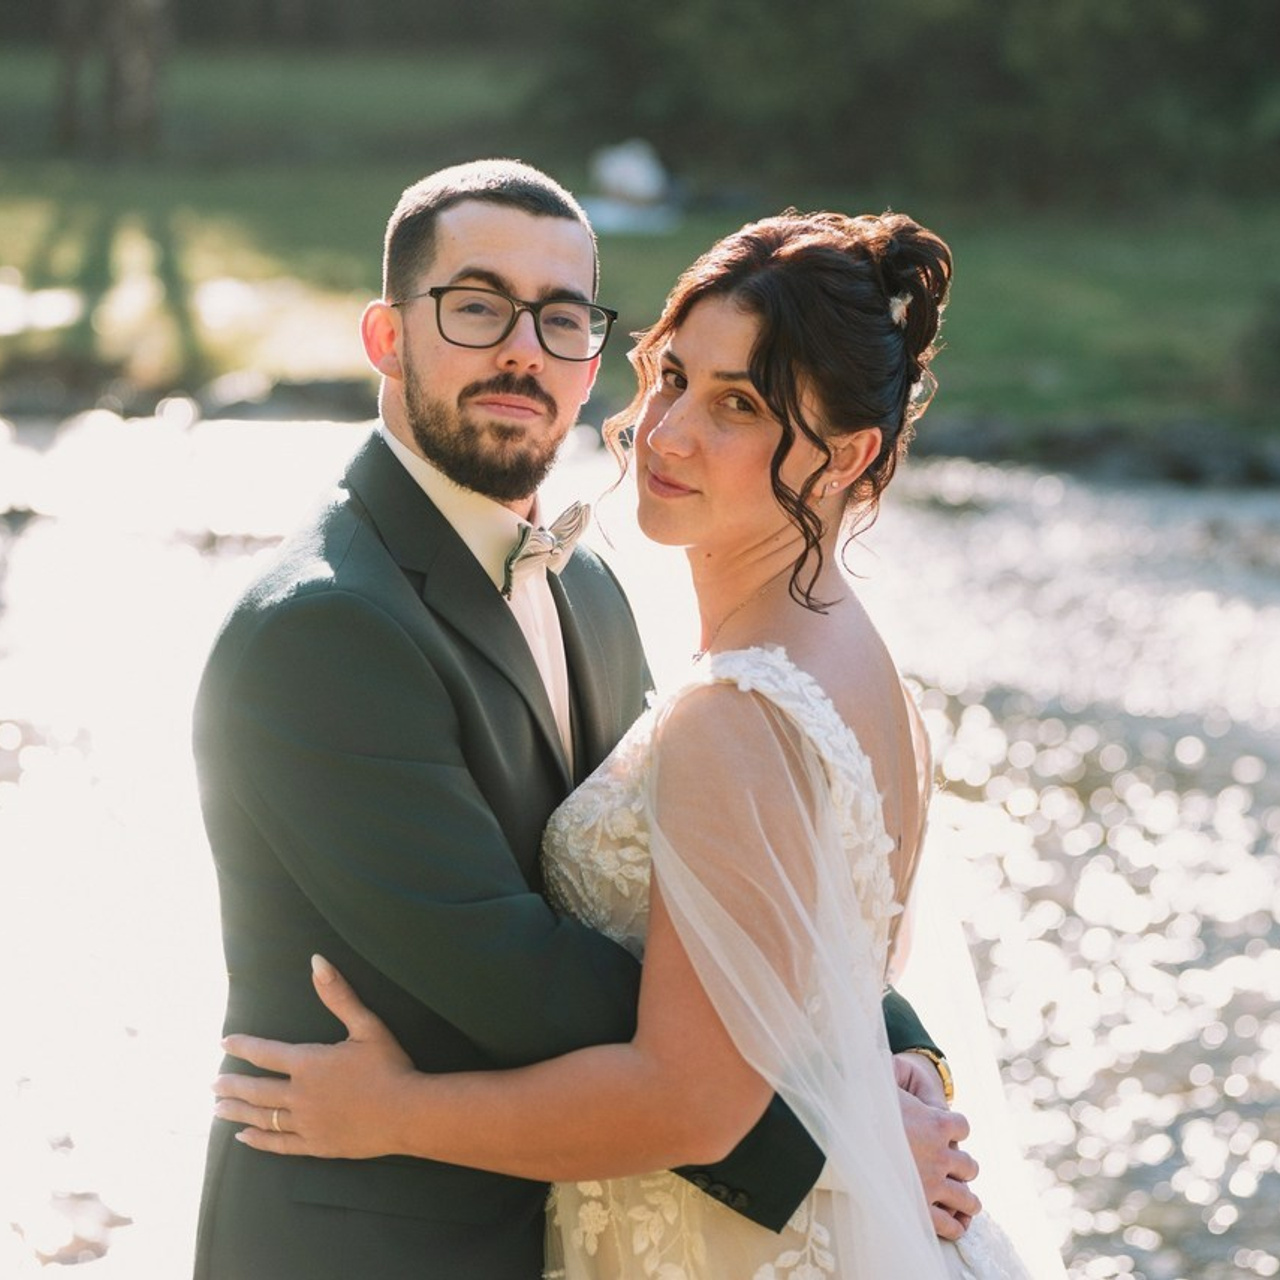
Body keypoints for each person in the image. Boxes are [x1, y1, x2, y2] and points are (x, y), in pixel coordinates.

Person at [211, 206, 1055, 1278]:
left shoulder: (629, 617)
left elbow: (742, 978)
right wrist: (849, 1123)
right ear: (388, 335)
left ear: (849, 454)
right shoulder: (326, 627)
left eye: (736, 404)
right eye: (672, 377)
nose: (664, 431)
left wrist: (886, 1070)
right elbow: (523, 969)